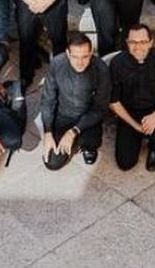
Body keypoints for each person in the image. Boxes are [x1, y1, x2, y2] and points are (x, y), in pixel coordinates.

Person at [108, 23, 155, 171]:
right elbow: (114, 102)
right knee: (125, 163)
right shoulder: (117, 63)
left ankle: (154, 147)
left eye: (142, 42)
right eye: (133, 42)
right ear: (127, 42)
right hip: (129, 112)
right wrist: (135, 126)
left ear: (151, 42)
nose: (138, 47)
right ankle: (136, 135)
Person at [39, 33, 111, 169]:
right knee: (52, 162)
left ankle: (83, 143)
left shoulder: (101, 69)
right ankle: (68, 139)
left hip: (87, 117)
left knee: (91, 142)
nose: (80, 62)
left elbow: (100, 107)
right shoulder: (57, 64)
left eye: (85, 56)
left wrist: (73, 132)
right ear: (68, 53)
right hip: (63, 115)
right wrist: (48, 131)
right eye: (75, 57)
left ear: (91, 53)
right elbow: (48, 99)